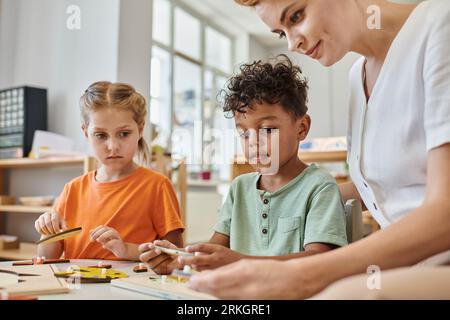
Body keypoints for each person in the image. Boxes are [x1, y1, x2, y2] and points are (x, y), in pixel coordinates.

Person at [186, 0, 450, 299]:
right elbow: (387, 186)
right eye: (280, 32)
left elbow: (445, 211)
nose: (293, 43)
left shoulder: (439, 25)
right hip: (408, 269)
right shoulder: (357, 75)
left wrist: (303, 274)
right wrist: (298, 197)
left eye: (296, 16)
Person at [139, 55, 348, 274]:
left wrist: (238, 262)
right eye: (244, 133)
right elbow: (213, 253)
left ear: (302, 128)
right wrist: (178, 260)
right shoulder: (239, 188)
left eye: (267, 129)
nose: (254, 142)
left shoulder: (319, 186)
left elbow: (319, 261)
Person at [34, 81, 184, 261]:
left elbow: (175, 255)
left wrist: (126, 250)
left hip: (131, 287)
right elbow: (46, 257)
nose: (113, 146)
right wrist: (47, 231)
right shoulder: (72, 190)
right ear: (85, 132)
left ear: (141, 129)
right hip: (77, 286)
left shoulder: (157, 186)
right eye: (101, 135)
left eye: (124, 134)